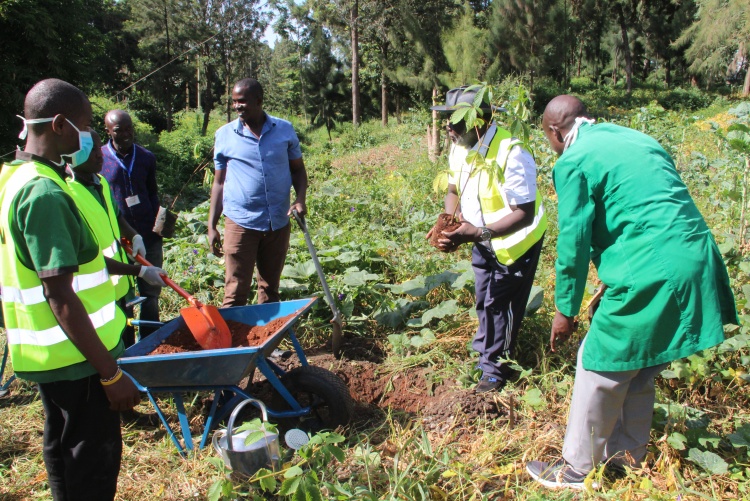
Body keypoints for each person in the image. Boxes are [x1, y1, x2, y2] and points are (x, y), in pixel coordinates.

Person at [526, 95, 738, 489]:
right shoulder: (638, 138)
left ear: (556, 132)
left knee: (598, 362)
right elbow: (642, 211)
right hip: (695, 256)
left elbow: (573, 242)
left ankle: (576, 469)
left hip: (651, 269)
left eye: (548, 139)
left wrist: (565, 311)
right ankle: (625, 458)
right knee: (640, 364)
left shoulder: (573, 161)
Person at [0, 78, 162, 500]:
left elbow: (75, 263)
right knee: (93, 461)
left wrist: (133, 268)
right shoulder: (44, 192)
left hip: (58, 356)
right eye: (85, 125)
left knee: (62, 444)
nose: (89, 136)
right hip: (80, 359)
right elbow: (59, 293)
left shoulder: (17, 176)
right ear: (58, 125)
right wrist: (110, 373)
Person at [426, 86, 547, 392]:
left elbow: (525, 213)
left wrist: (477, 232)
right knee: (484, 296)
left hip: (515, 241)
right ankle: (486, 349)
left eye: (456, 120)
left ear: (480, 119)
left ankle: (497, 368)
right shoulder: (460, 146)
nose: (448, 127)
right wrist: (449, 223)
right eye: (447, 119)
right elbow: (453, 191)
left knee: (500, 304)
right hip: (479, 237)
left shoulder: (512, 150)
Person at [208, 77, 308, 307]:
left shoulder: (284, 130)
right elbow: (219, 183)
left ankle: (266, 341)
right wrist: (211, 225)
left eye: (242, 101)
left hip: (277, 222)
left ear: (259, 100)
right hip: (240, 222)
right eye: (234, 102)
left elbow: (298, 170)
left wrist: (300, 200)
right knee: (235, 291)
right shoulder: (224, 135)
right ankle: (235, 341)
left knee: (270, 289)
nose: (237, 106)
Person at [68, 130, 161, 347]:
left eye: (99, 149)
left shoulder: (99, 181)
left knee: (126, 343)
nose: (100, 155)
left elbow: (117, 216)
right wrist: (141, 271)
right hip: (95, 294)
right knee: (109, 348)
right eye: (92, 151)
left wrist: (134, 235)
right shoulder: (68, 193)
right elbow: (89, 258)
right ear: (73, 153)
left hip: (119, 289)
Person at [101, 109, 163, 342]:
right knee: (122, 292)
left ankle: (151, 340)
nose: (126, 134)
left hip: (148, 233)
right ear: (108, 131)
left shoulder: (146, 157)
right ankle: (125, 342)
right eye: (119, 130)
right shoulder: (99, 159)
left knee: (151, 291)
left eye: (129, 129)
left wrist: (159, 226)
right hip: (119, 238)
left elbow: (152, 194)